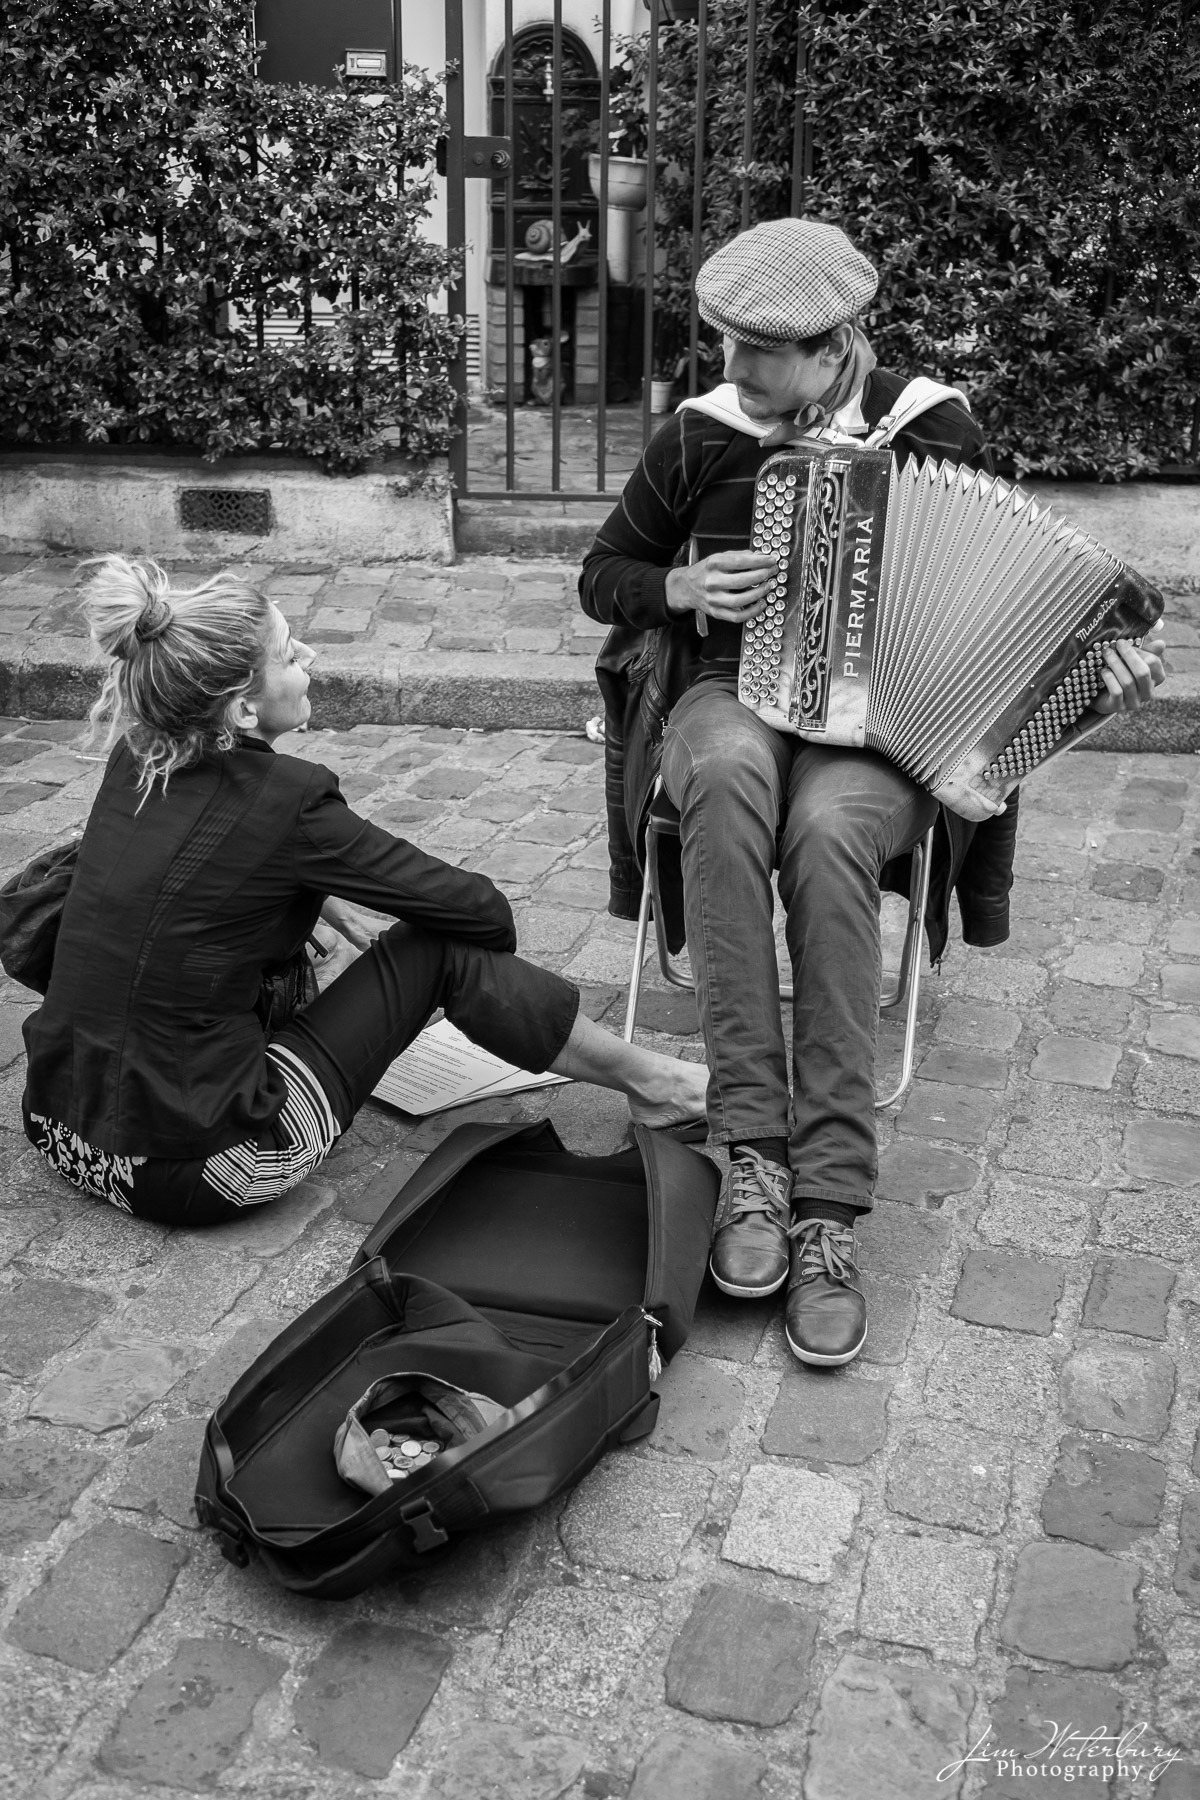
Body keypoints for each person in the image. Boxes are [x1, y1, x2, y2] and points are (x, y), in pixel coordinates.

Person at [580, 217, 1164, 1367]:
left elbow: (1019, 608)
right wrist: (683, 585)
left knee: (833, 825)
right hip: (726, 701)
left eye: (761, 353)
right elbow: (605, 576)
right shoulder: (700, 437)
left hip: (879, 735)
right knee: (737, 782)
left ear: (837, 343)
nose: (735, 373)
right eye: (727, 345)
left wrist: (1101, 671)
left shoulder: (932, 428)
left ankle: (830, 1207)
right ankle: (752, 1150)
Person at [20, 556, 708, 1227]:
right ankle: (660, 1087)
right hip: (212, 1165)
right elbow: (479, 911)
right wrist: (399, 939)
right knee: (442, 950)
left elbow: (181, 877)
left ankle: (648, 1082)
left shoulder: (135, 759)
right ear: (244, 709)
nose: (310, 659)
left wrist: (307, 894)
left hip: (61, 1129)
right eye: (290, 657)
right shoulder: (292, 802)